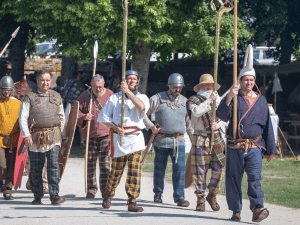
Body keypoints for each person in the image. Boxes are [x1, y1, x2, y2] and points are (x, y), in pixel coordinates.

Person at [216, 44, 276, 222]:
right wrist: (228, 97)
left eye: (251, 80)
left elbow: (268, 126)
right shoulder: (233, 97)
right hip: (235, 146)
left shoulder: (262, 101)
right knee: (233, 179)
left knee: (255, 178)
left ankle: (257, 209)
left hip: (255, 146)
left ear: (254, 81)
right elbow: (221, 116)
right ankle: (236, 211)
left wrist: (271, 149)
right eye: (245, 80)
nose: (248, 83)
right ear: (240, 81)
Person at [98, 70, 149, 212]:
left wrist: (128, 92)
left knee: (134, 171)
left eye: (134, 79)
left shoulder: (143, 97)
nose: (131, 81)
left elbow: (141, 107)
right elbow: (103, 118)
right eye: (129, 78)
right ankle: (108, 195)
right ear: (124, 81)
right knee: (116, 171)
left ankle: (132, 201)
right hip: (119, 139)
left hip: (136, 139)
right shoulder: (114, 98)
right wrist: (115, 127)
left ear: (137, 81)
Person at [143, 73, 192, 207]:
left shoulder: (185, 101)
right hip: (161, 140)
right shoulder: (157, 99)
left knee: (179, 170)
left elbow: (189, 125)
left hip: (179, 142)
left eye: (179, 87)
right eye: (175, 87)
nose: (177, 89)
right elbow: (143, 114)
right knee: (159, 169)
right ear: (169, 86)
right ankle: (158, 193)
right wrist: (151, 126)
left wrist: (194, 142)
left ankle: (180, 197)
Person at [19, 69, 66, 205]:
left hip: (53, 137)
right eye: (42, 80)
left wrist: (62, 135)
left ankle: (54, 195)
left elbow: (61, 117)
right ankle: (37, 196)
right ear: (38, 81)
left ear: (50, 81)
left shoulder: (57, 96)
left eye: (47, 80)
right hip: (35, 138)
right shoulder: (30, 97)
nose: (45, 83)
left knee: (53, 167)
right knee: (35, 168)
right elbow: (23, 118)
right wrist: (26, 135)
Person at [187, 73, 226, 212]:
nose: (209, 86)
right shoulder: (194, 100)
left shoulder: (220, 100)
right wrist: (209, 100)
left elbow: (226, 118)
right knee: (199, 170)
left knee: (219, 169)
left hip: (216, 137)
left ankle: (212, 195)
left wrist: (219, 125)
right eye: (206, 84)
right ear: (200, 86)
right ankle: (200, 199)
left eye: (211, 84)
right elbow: (196, 112)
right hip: (200, 137)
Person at [77, 74, 113, 198]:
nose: (98, 89)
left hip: (106, 134)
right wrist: (83, 117)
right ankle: (91, 189)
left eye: (100, 87)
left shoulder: (110, 95)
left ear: (103, 85)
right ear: (91, 85)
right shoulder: (84, 96)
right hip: (89, 133)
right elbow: (75, 113)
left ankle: (105, 189)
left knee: (105, 163)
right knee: (90, 162)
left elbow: (116, 111)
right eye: (96, 87)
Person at [0, 76, 22, 200]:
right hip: (0, 138)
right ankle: (1, 182)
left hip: (14, 139)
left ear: (12, 89)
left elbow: (22, 121)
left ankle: (8, 189)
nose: (6, 92)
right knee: (2, 164)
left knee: (11, 165)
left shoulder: (18, 103)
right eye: (4, 89)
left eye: (8, 89)